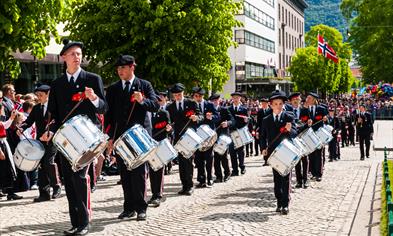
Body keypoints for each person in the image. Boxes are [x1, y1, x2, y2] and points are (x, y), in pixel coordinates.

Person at [45, 39, 108, 235]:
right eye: (72, 54)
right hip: (65, 140)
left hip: (86, 139)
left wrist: (94, 99)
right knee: (69, 180)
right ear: (64, 58)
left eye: (79, 53)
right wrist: (50, 129)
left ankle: (84, 222)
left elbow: (104, 107)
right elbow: (53, 114)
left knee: (80, 177)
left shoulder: (92, 79)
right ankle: (75, 222)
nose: (77, 57)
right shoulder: (57, 84)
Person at [105, 55, 159, 221]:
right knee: (125, 174)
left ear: (132, 68)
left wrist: (142, 100)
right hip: (120, 137)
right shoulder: (114, 89)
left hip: (139, 137)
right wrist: (109, 137)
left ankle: (141, 207)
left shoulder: (144, 85)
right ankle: (128, 208)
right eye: (118, 68)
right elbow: (109, 115)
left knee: (139, 173)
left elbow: (155, 105)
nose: (120, 71)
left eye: (123, 68)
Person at [19, 85, 62, 202]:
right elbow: (28, 121)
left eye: (41, 95)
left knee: (49, 162)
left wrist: (51, 133)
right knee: (42, 165)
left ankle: (56, 186)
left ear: (48, 94)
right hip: (40, 142)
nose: (38, 97)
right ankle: (44, 193)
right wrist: (21, 128)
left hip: (52, 140)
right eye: (37, 95)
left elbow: (58, 122)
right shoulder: (36, 108)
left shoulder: (54, 107)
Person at [260, 90, 297, 215]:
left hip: (286, 152)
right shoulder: (266, 119)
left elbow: (295, 133)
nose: (278, 106)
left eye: (280, 104)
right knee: (277, 179)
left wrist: (290, 129)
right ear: (271, 105)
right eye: (275, 104)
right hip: (273, 153)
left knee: (286, 177)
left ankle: (285, 204)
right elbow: (262, 136)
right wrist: (263, 148)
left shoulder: (289, 116)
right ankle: (279, 202)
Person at [166, 83, 203, 196]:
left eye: (179, 94)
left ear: (183, 93)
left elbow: (200, 115)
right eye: (175, 95)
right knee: (181, 162)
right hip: (178, 137)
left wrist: (196, 118)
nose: (178, 96)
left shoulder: (191, 103)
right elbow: (170, 122)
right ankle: (184, 185)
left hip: (189, 137)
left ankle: (190, 185)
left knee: (188, 161)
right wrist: (169, 127)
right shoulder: (170, 107)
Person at [148, 91, 172, 207]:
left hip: (160, 144)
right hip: (148, 146)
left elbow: (169, 129)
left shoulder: (164, 113)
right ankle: (153, 194)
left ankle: (158, 195)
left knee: (159, 170)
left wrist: (169, 129)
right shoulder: (145, 114)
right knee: (151, 171)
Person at [192, 87, 219, 188]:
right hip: (197, 136)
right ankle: (201, 179)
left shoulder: (210, 105)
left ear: (202, 96)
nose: (197, 98)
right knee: (198, 159)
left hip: (208, 136)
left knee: (209, 158)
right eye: (195, 96)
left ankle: (210, 178)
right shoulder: (192, 105)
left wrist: (211, 117)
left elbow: (218, 117)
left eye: (199, 96)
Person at [299, 92, 327, 182]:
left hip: (318, 135)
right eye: (307, 98)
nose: (307, 100)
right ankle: (312, 172)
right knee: (311, 154)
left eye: (309, 98)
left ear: (314, 100)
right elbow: (301, 121)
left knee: (319, 154)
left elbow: (327, 121)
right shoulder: (303, 110)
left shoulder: (322, 109)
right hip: (308, 135)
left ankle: (319, 174)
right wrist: (306, 122)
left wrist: (326, 119)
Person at [209, 93, 234, 183]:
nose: (215, 102)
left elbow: (232, 120)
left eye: (216, 100)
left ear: (219, 100)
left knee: (223, 156)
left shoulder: (224, 109)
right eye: (213, 100)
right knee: (215, 157)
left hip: (223, 136)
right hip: (213, 136)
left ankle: (227, 173)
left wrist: (227, 123)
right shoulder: (209, 110)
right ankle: (218, 176)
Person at [228, 92, 249, 176]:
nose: (236, 99)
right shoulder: (228, 109)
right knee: (232, 152)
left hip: (240, 132)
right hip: (231, 132)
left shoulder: (244, 109)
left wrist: (246, 121)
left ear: (240, 99)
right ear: (232, 99)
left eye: (237, 98)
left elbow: (247, 120)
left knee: (240, 151)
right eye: (234, 98)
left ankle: (242, 166)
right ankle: (235, 169)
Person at [256, 97, 271, 166]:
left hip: (270, 129)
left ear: (268, 103)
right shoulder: (259, 111)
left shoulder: (271, 110)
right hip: (262, 130)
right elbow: (258, 122)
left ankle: (270, 159)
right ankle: (265, 160)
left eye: (265, 103)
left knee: (270, 144)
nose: (264, 105)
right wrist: (257, 130)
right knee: (263, 145)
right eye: (262, 103)